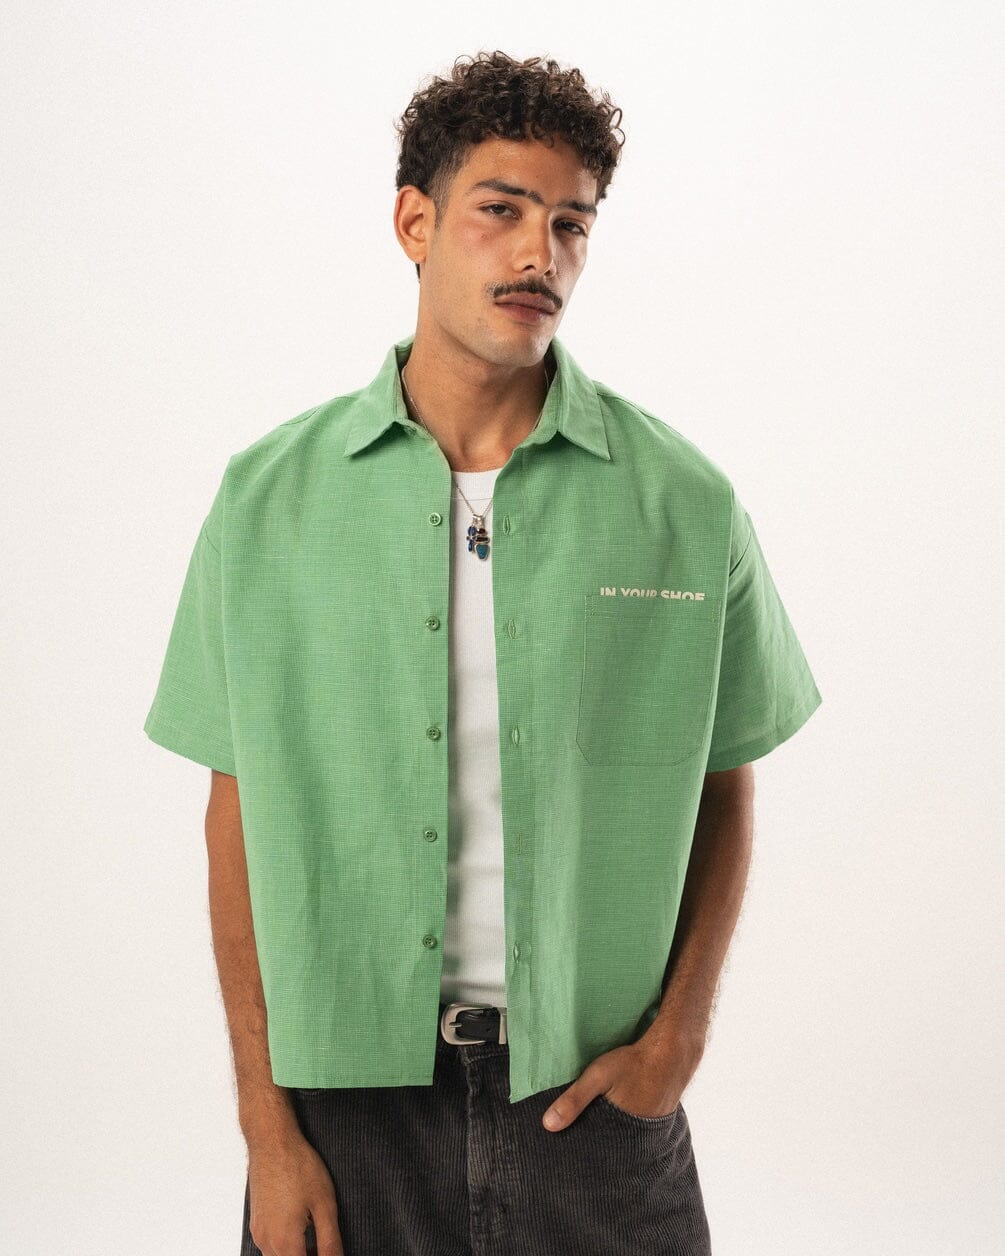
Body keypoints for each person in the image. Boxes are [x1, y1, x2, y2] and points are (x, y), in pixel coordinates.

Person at [144, 50, 822, 1256]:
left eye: (571, 223)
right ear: (415, 222)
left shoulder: (684, 502)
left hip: (594, 1095)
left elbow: (726, 782)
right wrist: (266, 1128)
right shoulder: (266, 501)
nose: (538, 254)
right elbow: (234, 810)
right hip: (342, 1106)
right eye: (500, 210)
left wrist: (677, 1041)